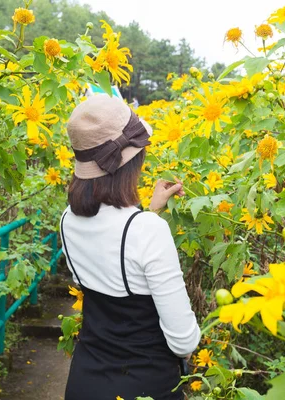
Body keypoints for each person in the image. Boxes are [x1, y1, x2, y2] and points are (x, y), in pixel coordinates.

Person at [61, 94, 201, 400]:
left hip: (85, 381)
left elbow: (112, 258)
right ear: (133, 160)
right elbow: (183, 341)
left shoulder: (66, 221)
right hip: (144, 386)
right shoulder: (148, 232)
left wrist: (150, 213)